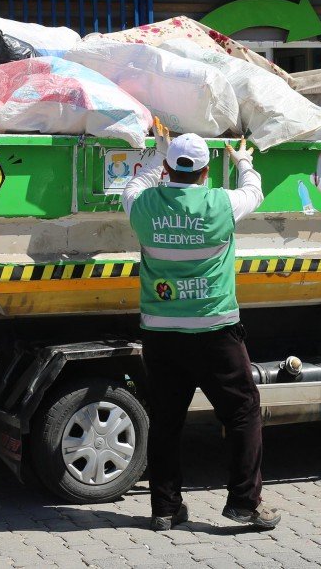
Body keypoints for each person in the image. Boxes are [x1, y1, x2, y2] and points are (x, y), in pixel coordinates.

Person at [122, 125, 281, 532]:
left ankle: (165, 509)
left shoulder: (143, 205)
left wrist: (156, 157)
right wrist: (244, 160)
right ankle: (245, 504)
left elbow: (133, 184)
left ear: (169, 170)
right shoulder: (221, 204)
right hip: (215, 330)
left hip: (160, 333)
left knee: (167, 421)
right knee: (243, 413)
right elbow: (253, 191)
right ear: (206, 173)